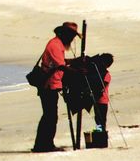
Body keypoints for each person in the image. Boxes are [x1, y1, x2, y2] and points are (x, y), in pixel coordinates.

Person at [32, 22, 82, 153]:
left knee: (50, 115)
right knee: (50, 116)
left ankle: (44, 144)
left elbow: (61, 62)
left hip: (53, 84)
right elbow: (60, 65)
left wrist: (73, 62)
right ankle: (43, 145)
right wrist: (78, 72)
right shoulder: (54, 45)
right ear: (63, 33)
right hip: (48, 85)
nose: (72, 38)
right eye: (70, 35)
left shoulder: (58, 44)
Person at [94, 53, 114, 131]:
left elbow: (102, 86)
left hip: (102, 101)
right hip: (97, 100)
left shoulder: (106, 75)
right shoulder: (98, 73)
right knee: (97, 119)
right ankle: (99, 132)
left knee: (101, 120)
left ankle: (101, 134)